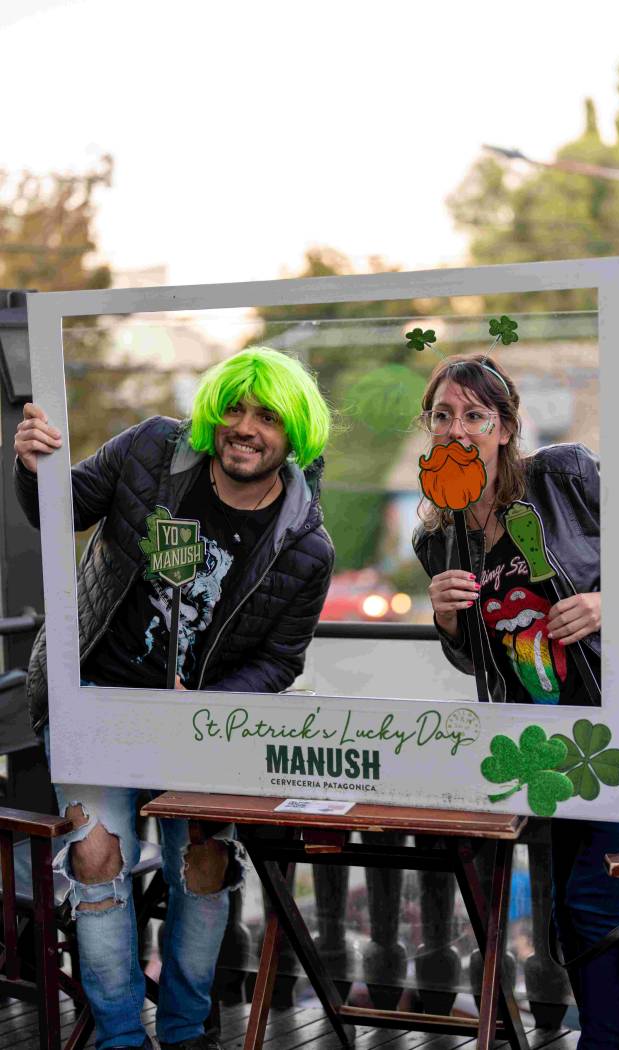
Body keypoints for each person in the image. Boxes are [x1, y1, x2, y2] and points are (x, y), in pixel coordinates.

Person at [14, 346, 335, 1050]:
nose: (244, 427)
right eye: (233, 409)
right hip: (96, 698)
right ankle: (121, 1037)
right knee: (97, 861)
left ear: (296, 434)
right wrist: (33, 465)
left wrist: (209, 702)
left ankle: (188, 1031)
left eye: (267, 416)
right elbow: (57, 509)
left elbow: (281, 661)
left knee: (205, 868)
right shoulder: (152, 449)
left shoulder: (307, 546)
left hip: (202, 727)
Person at [412, 352, 619, 1049]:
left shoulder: (561, 475)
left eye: (475, 415)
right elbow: (481, 659)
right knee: (570, 914)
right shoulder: (438, 538)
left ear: (505, 427)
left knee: (592, 892)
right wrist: (448, 623)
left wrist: (608, 603)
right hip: (561, 739)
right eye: (443, 415)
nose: (458, 428)